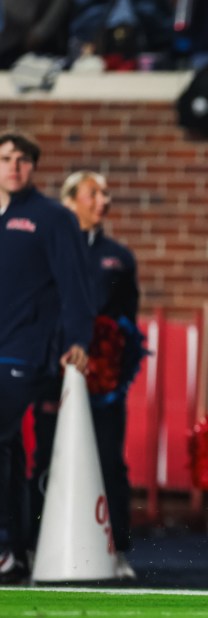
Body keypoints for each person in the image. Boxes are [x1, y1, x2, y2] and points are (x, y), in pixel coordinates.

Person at [30, 171, 140, 580]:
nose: (104, 200)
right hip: (51, 369)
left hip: (104, 379)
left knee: (111, 460)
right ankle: (35, 542)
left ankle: (118, 549)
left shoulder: (118, 256)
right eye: (94, 193)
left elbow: (128, 318)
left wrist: (115, 363)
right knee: (44, 457)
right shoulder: (48, 247)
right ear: (70, 200)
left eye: (107, 193)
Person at [0, 131, 94, 583]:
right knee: (9, 453)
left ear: (33, 167)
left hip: (24, 353)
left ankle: (3, 544)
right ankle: (16, 549)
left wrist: (80, 339)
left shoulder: (53, 218)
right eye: (5, 158)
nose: (13, 166)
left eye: (22, 159)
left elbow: (76, 284)